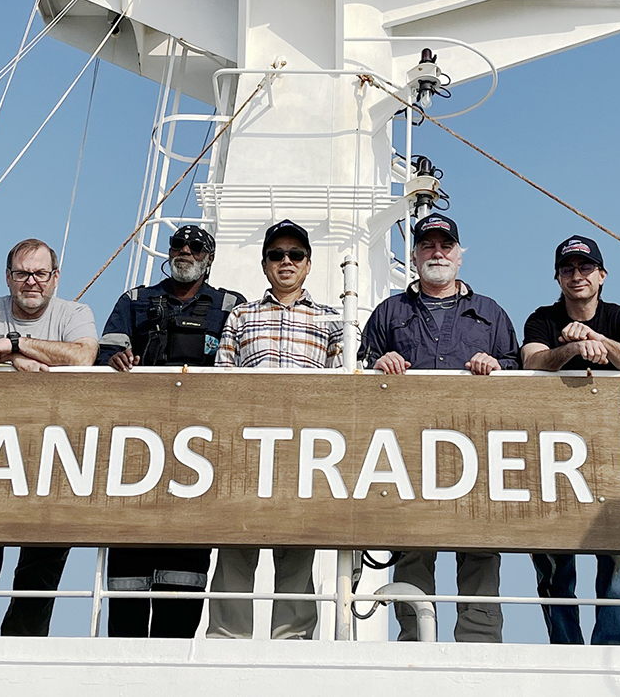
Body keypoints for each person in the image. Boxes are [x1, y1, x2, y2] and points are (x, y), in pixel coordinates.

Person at [359, 212, 520, 643]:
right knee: (413, 547)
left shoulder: (491, 313)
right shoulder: (389, 312)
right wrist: (378, 363)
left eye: (445, 245)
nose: (437, 253)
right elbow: (360, 367)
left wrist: (496, 366)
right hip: (406, 450)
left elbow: (517, 368)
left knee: (480, 545)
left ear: (459, 255)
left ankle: (479, 643)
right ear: (414, 256)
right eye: (427, 245)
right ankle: (414, 639)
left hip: (478, 447)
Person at [0, 238, 98, 636]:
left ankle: (23, 647)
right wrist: (13, 359)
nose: (31, 282)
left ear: (55, 277)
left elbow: (83, 357)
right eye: (22, 273)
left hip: (53, 455)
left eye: (40, 273)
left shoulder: (74, 313)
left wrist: (14, 343)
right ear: (8, 277)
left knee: (43, 562)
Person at [96, 225, 244, 638]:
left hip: (200, 456)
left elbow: (241, 368)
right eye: (178, 245)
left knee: (185, 573)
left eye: (196, 247)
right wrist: (116, 360)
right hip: (138, 450)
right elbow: (104, 356)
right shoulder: (135, 300)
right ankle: (125, 665)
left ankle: (174, 661)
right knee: (127, 573)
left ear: (208, 258)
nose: (185, 251)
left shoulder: (230, 306)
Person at [207, 219, 342, 640]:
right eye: (276, 254)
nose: (286, 261)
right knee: (236, 545)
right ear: (265, 264)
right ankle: (227, 641)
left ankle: (293, 642)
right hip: (246, 447)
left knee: (298, 548)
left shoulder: (333, 320)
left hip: (305, 449)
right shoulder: (241, 315)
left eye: (295, 254)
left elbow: (342, 388)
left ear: (308, 264)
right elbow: (221, 381)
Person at [521, 234, 620, 645]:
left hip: (607, 448)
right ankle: (565, 647)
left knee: (617, 551)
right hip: (549, 447)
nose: (577, 275)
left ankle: (615, 644)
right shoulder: (542, 318)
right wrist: (573, 347)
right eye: (568, 268)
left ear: (602, 275)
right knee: (552, 552)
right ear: (558, 277)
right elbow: (531, 362)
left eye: (585, 267)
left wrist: (598, 341)